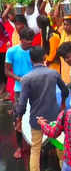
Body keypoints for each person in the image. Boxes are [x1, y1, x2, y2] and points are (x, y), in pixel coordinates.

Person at [15, 46, 68, 171]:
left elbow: (22, 105)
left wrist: (19, 119)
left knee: (35, 149)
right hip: (54, 116)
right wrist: (63, 105)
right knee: (60, 146)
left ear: (31, 59)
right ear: (44, 57)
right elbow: (65, 90)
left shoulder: (27, 79)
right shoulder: (53, 73)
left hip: (36, 118)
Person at [5, 27, 35, 159]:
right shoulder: (11, 51)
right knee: (18, 118)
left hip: (35, 89)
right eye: (27, 41)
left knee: (37, 116)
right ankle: (19, 147)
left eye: (31, 41)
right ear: (21, 39)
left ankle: (37, 144)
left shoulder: (34, 51)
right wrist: (19, 79)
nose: (30, 43)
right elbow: (6, 71)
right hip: (19, 90)